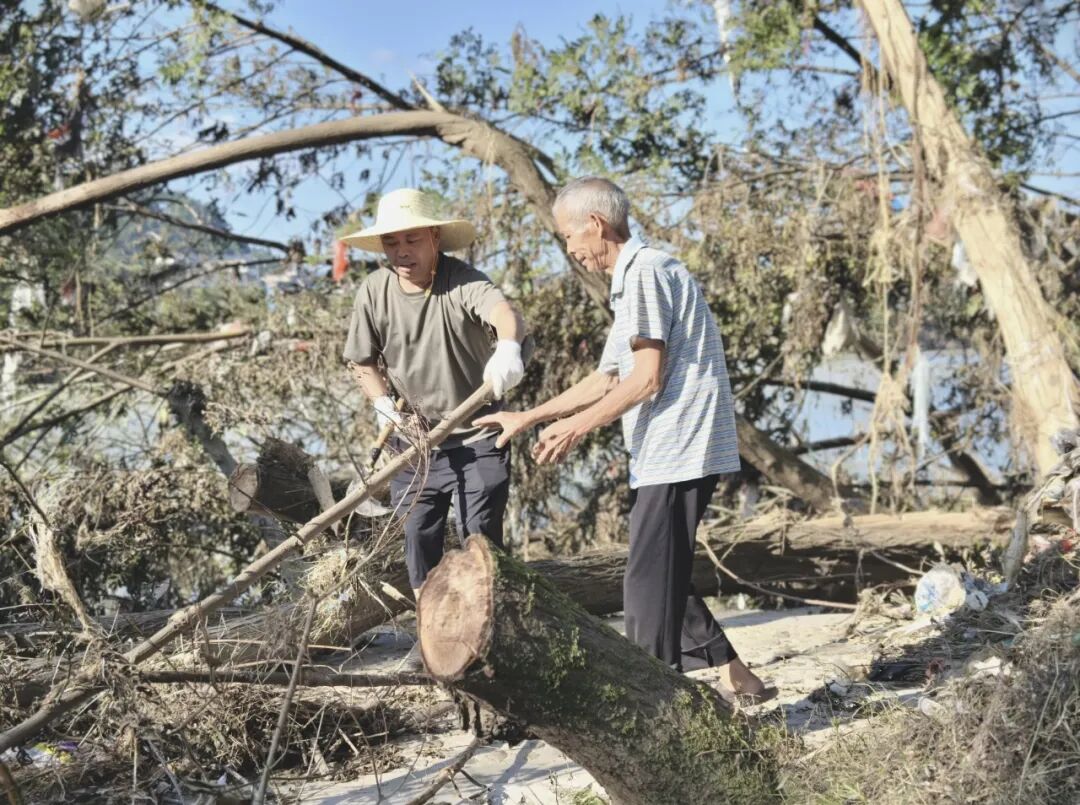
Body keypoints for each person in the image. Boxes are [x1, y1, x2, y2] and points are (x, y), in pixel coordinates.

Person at [475, 177, 770, 698]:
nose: (570, 250)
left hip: (680, 445)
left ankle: (654, 700)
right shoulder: (635, 278)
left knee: (645, 584)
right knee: (658, 568)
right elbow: (608, 376)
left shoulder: (647, 274)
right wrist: (530, 417)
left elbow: (646, 378)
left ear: (596, 224)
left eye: (570, 237)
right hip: (664, 450)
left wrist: (576, 426)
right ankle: (735, 675)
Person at [341, 188, 527, 598]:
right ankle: (431, 637)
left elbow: (504, 312)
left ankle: (490, 635)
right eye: (391, 242)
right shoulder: (374, 291)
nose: (402, 252)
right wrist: (382, 405)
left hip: (478, 434)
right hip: (417, 441)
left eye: (412, 240)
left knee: (481, 541)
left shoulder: (461, 282)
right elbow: (362, 361)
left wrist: (509, 346)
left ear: (434, 239)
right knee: (418, 538)